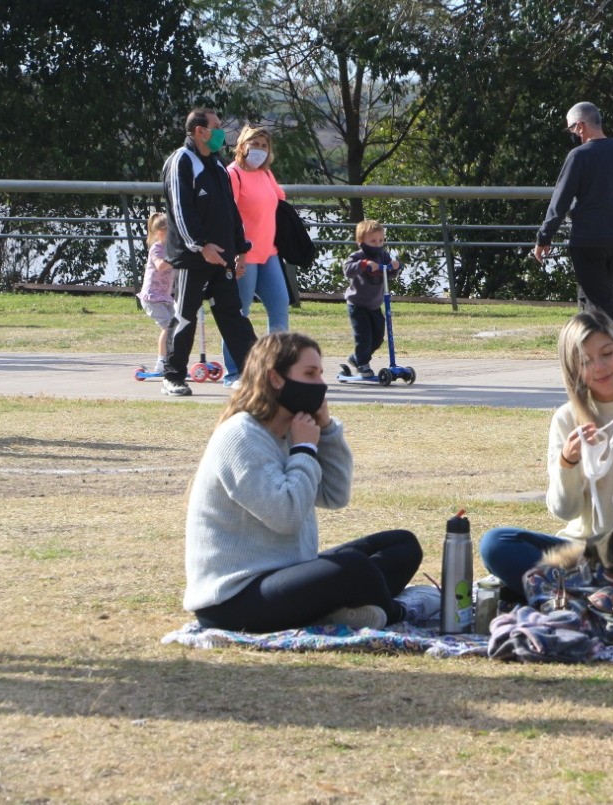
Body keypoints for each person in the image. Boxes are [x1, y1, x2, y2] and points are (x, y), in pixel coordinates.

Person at [183, 331, 436, 632]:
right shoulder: (241, 435)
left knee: (402, 545)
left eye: (320, 373)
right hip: (232, 600)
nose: (321, 384)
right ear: (275, 378)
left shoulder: (291, 429)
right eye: (310, 374)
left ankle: (339, 611)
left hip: (286, 577)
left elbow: (335, 495)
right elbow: (286, 517)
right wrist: (304, 449)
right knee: (356, 569)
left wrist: (326, 430)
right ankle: (399, 611)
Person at [479, 310, 613, 600]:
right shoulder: (567, 418)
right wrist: (567, 462)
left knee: (520, 582)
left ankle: (568, 596)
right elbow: (564, 511)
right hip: (586, 554)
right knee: (496, 544)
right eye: (584, 361)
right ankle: (595, 596)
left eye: (607, 354)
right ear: (573, 370)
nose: (599, 367)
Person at [160, 108, 258, 397]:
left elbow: (230, 210)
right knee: (185, 316)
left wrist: (240, 249)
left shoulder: (217, 165)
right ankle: (173, 376)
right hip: (193, 258)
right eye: (215, 126)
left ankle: (256, 376)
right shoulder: (181, 161)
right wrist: (201, 245)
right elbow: (180, 210)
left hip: (222, 257)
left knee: (234, 316)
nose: (220, 132)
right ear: (200, 131)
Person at [534, 102, 613, 321]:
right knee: (597, 296)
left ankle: (608, 340)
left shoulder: (579, 155)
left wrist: (544, 237)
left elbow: (560, 201)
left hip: (588, 239)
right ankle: (592, 340)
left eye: (571, 129)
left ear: (580, 126)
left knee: (597, 303)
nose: (572, 134)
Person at [221, 124, 291, 387]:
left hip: (269, 253)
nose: (260, 150)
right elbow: (227, 214)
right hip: (244, 255)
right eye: (254, 144)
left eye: (264, 145)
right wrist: (236, 253)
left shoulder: (266, 173)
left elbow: (279, 199)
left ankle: (277, 370)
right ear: (242, 146)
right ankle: (234, 373)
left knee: (280, 307)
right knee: (239, 312)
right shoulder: (233, 174)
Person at [343, 219, 403, 377]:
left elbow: (390, 274)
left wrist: (394, 267)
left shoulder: (383, 255)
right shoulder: (358, 256)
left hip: (375, 305)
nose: (378, 244)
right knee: (364, 336)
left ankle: (357, 358)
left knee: (378, 337)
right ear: (361, 241)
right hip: (357, 304)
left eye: (381, 240)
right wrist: (363, 264)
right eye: (373, 241)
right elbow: (348, 270)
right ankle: (363, 364)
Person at [136, 212, 174, 375]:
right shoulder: (157, 248)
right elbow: (160, 265)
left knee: (177, 327)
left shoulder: (172, 248)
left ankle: (172, 361)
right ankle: (161, 363)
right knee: (168, 327)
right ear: (161, 232)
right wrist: (175, 258)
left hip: (164, 297)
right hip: (152, 297)